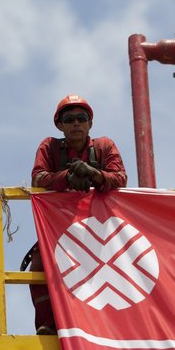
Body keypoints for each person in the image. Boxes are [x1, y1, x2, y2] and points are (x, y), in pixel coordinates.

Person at [27, 94, 127, 335]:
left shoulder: (104, 147)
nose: (76, 124)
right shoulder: (50, 147)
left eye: (81, 119)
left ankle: (111, 326)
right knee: (41, 266)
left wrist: (94, 175)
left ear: (90, 123)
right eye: (69, 119)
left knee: (114, 270)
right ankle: (48, 325)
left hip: (100, 228)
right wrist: (67, 178)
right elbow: (38, 178)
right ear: (59, 125)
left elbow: (120, 178)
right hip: (60, 229)